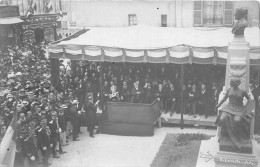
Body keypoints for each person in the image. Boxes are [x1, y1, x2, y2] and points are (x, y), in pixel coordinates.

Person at [216, 78, 254, 151]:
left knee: (237, 120)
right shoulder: (229, 90)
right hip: (229, 108)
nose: (230, 84)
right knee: (222, 118)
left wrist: (247, 108)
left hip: (239, 109)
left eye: (232, 83)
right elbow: (224, 98)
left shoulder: (243, 92)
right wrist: (218, 105)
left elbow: (250, 99)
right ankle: (224, 136)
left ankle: (237, 138)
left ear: (236, 84)